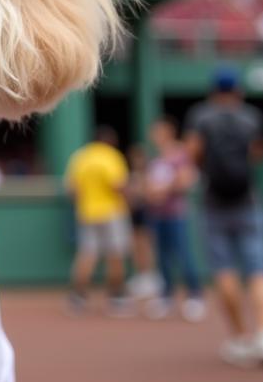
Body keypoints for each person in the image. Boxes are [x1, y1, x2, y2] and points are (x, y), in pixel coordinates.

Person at [185, 69, 263, 366]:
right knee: (260, 269)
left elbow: (193, 154)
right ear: (238, 90)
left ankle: (240, 339)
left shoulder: (201, 116)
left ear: (213, 91)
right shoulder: (251, 116)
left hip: (214, 201)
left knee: (225, 270)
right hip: (248, 200)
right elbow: (257, 155)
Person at [65, 126, 133, 314]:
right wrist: (131, 200)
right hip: (112, 212)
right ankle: (117, 297)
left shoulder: (81, 157)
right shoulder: (111, 156)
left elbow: (72, 189)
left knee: (87, 254)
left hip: (87, 213)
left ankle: (77, 298)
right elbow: (117, 185)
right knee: (115, 255)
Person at [144, 116, 205, 321]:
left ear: (168, 132)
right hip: (157, 215)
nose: (154, 136)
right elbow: (149, 186)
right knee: (162, 258)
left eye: (158, 131)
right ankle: (166, 297)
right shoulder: (156, 159)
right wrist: (151, 192)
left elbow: (186, 180)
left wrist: (164, 190)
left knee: (183, 254)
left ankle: (195, 296)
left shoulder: (180, 155)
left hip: (176, 214)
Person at [124, 143, 160, 299]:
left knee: (147, 246)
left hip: (147, 214)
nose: (137, 161)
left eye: (139, 158)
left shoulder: (149, 176)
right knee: (136, 246)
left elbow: (150, 195)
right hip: (134, 216)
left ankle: (151, 278)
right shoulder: (131, 176)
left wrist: (140, 192)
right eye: (134, 158)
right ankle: (141, 276)